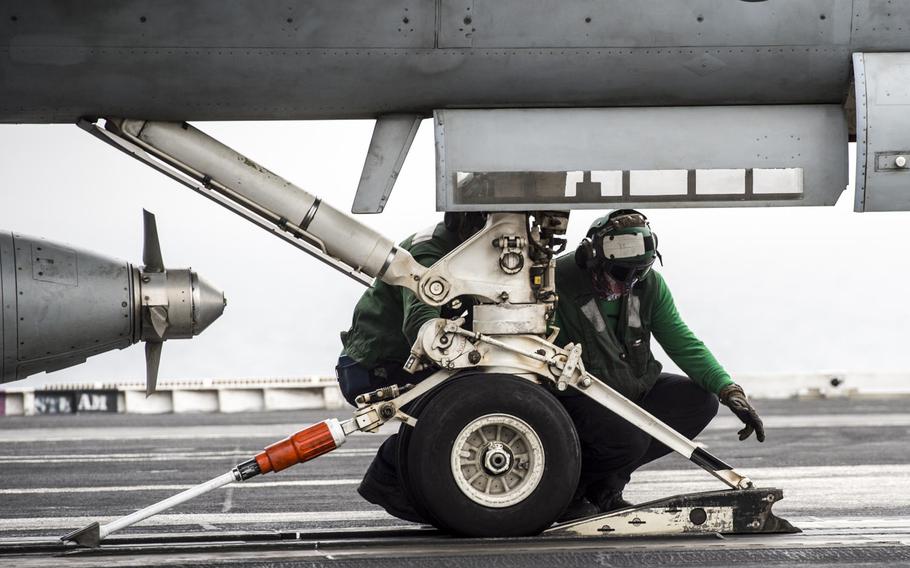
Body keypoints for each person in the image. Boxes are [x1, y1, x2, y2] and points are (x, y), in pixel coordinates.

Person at [552, 209, 765, 520]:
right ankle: (570, 492)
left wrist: (727, 388)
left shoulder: (648, 284)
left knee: (698, 402)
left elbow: (681, 340)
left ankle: (606, 490)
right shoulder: (557, 279)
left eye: (638, 273)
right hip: (579, 395)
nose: (628, 283)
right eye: (621, 273)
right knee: (630, 437)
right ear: (591, 258)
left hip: (630, 387)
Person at [336, 212, 485, 523]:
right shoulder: (430, 252)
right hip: (373, 365)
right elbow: (420, 322)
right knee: (465, 397)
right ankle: (388, 478)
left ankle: (409, 482)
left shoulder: (459, 247)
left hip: (382, 360)